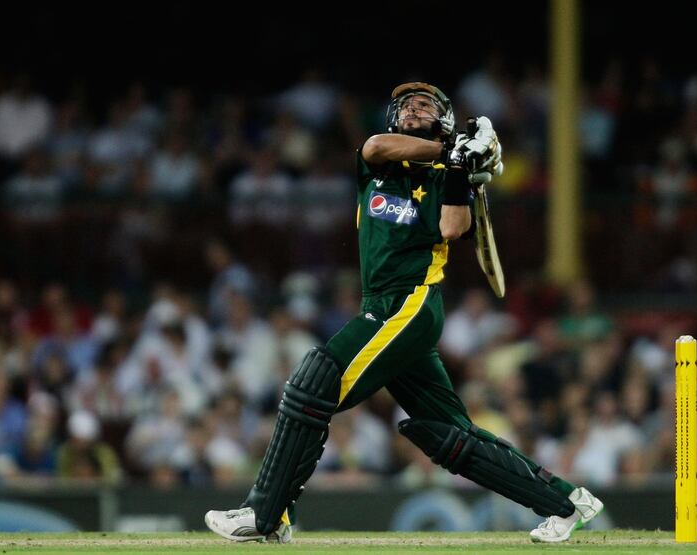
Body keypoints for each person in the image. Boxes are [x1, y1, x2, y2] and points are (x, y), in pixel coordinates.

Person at [205, 82, 602, 543]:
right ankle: (569, 502)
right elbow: (376, 145)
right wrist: (451, 150)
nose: (414, 109)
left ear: (444, 120)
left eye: (425, 106)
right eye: (408, 106)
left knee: (313, 386)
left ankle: (265, 516)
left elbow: (453, 228)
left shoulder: (444, 181)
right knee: (451, 436)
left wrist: (456, 169)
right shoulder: (378, 164)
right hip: (383, 307)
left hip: (410, 304)